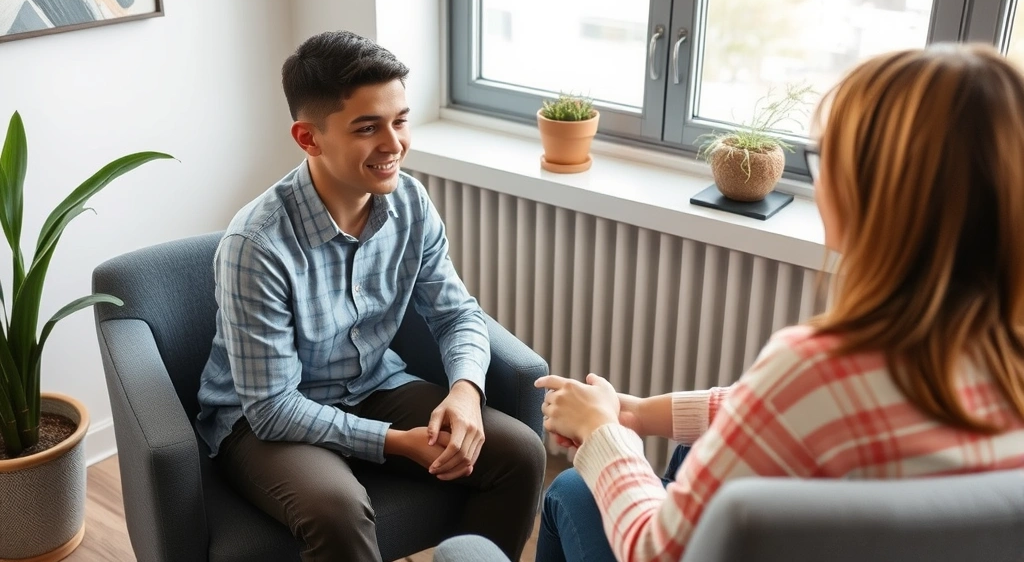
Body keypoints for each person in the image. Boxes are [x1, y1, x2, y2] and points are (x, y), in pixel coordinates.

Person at [535, 43, 1024, 562]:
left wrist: (602, 434)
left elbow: (657, 552)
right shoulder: (997, 353)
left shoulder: (819, 365)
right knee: (688, 449)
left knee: (570, 491)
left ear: (877, 190)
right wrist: (634, 414)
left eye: (824, 157)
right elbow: (767, 408)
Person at [195, 30, 545, 562]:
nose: (394, 144)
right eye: (367, 128)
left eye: (400, 120)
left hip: (373, 384)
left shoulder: (410, 202)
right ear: (309, 138)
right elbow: (270, 408)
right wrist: (391, 440)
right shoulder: (256, 245)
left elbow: (456, 314)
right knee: (336, 508)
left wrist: (466, 391)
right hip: (263, 422)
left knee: (518, 453)